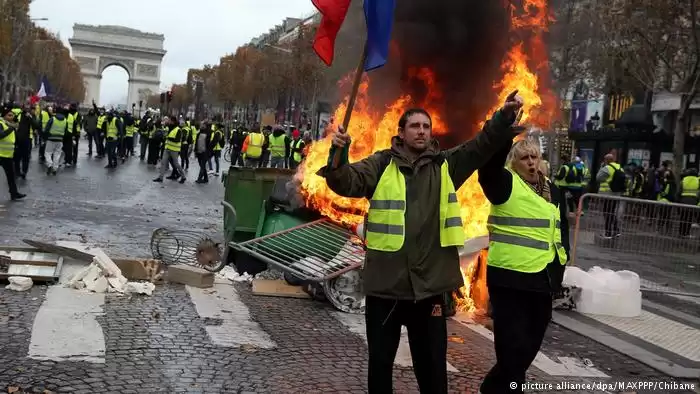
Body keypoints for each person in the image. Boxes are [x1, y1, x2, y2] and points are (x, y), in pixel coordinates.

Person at [321, 91, 524, 393]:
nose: (421, 131)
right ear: (400, 133)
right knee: (380, 366)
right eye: (414, 126)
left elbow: (479, 146)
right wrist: (338, 155)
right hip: (387, 288)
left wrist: (503, 117)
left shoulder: (446, 166)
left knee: (432, 371)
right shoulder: (380, 165)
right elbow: (345, 181)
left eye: (426, 127)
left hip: (429, 290)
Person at [477, 138, 569, 393]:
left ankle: (492, 388)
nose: (531, 162)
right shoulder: (504, 183)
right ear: (514, 163)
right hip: (509, 279)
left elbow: (561, 231)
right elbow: (487, 170)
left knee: (530, 345)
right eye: (524, 158)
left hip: (542, 278)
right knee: (511, 345)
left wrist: (561, 267)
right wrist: (503, 136)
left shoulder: (553, 190)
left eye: (534, 157)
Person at [0, 106, 26, 200]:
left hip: (7, 155)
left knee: (11, 176)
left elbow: (14, 139)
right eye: (9, 115)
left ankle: (14, 193)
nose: (11, 117)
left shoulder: (10, 125)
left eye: (12, 115)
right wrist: (11, 128)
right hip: (0, 154)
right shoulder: (1, 124)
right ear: (4, 116)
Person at [596, 153, 623, 238]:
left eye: (605, 160)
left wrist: (602, 167)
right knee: (611, 213)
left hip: (607, 194)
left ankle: (608, 233)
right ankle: (616, 230)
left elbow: (598, 178)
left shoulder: (607, 168)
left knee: (607, 213)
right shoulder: (620, 168)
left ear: (607, 160)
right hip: (616, 194)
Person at [153, 116, 186, 184]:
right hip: (167, 148)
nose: (168, 121)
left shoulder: (178, 129)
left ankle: (183, 177)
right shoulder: (168, 128)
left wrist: (168, 138)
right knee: (163, 162)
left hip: (174, 150)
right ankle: (160, 177)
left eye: (169, 120)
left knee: (176, 164)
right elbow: (165, 136)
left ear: (173, 121)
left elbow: (177, 140)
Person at [43, 107, 69, 175]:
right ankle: (55, 168)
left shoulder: (52, 119)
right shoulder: (65, 120)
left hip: (51, 139)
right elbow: (66, 131)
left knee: (47, 153)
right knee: (57, 154)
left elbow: (47, 129)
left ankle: (49, 165)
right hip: (60, 140)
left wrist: (45, 137)